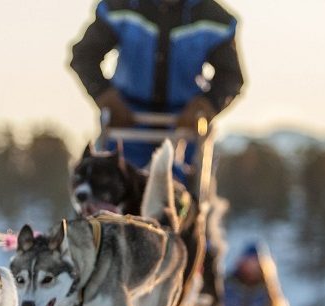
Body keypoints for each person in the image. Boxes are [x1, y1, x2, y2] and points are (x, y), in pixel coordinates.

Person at [70, 0, 244, 179]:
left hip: (184, 130)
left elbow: (230, 78)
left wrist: (206, 105)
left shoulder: (215, 19)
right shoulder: (119, 6)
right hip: (126, 125)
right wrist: (106, 96)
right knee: (113, 186)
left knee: (181, 196)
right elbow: (84, 57)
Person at [222, 243, 290, 306]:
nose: (251, 266)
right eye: (248, 260)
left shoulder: (270, 294)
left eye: (255, 262)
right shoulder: (226, 285)